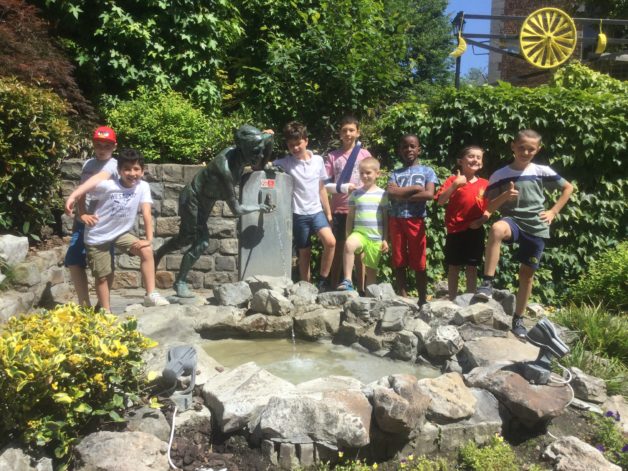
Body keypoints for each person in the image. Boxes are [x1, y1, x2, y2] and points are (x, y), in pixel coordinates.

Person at [153, 125, 274, 298]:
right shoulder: (223, 169)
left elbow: (270, 139)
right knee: (199, 243)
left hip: (206, 201)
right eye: (256, 152)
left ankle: (158, 253)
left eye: (261, 151)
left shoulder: (253, 144)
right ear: (243, 148)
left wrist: (264, 164)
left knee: (184, 239)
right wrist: (259, 206)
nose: (260, 155)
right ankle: (179, 282)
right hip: (193, 199)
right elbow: (237, 210)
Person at [474, 129, 573, 338]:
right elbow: (489, 206)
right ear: (513, 146)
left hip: (537, 226)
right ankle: (487, 282)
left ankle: (518, 319)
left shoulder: (541, 170)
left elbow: (568, 188)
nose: (525, 152)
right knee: (496, 229)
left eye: (531, 149)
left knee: (526, 276)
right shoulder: (500, 175)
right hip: (513, 221)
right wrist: (505, 196)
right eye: (521, 148)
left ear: (538, 149)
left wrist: (553, 211)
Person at [71, 148, 170, 311]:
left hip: (119, 234)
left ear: (143, 171)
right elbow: (82, 190)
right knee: (103, 276)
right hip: (98, 235)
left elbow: (146, 213)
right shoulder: (108, 186)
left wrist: (148, 239)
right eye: (127, 169)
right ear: (119, 171)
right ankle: (106, 311)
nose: (132, 173)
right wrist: (82, 214)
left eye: (136, 169)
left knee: (146, 250)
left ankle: (151, 295)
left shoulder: (143, 187)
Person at [273, 121, 336, 290]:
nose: (295, 148)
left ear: (306, 141)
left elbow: (321, 188)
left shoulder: (318, 160)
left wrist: (328, 213)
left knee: (330, 242)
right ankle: (306, 288)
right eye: (291, 145)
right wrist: (267, 139)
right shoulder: (286, 162)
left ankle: (322, 281)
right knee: (304, 253)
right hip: (298, 213)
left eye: (298, 143)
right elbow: (261, 165)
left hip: (316, 211)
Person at [63, 126, 118, 307]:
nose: (102, 149)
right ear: (93, 145)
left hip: (103, 224)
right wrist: (82, 213)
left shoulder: (113, 165)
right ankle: (84, 304)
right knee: (73, 259)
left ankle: (102, 305)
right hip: (83, 222)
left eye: (107, 146)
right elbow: (83, 190)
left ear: (114, 147)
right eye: (98, 145)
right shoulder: (88, 164)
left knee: (104, 266)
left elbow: (98, 179)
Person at [387, 134, 438, 305]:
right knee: (399, 257)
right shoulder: (395, 173)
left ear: (419, 149)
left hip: (416, 220)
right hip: (396, 219)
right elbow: (391, 193)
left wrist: (401, 193)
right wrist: (416, 188)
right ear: (400, 150)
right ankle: (403, 297)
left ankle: (422, 300)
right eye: (405, 146)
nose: (408, 149)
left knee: (418, 259)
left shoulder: (427, 171)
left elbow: (429, 195)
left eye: (412, 146)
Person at [324, 115, 372, 289]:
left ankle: (361, 288)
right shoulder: (333, 156)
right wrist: (344, 188)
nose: (348, 134)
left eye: (351, 130)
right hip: (339, 209)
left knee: (360, 250)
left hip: (361, 209)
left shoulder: (365, 154)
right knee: (338, 249)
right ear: (340, 134)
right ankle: (333, 286)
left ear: (358, 133)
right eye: (344, 130)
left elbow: (372, 180)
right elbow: (325, 186)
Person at [435, 146, 489, 300]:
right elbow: (440, 201)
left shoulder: (485, 183)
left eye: (478, 157)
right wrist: (455, 185)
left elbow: (490, 207)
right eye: (471, 156)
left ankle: (470, 298)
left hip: (475, 230)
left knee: (472, 267)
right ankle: (452, 299)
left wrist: (481, 220)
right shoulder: (453, 180)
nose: (475, 160)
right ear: (460, 161)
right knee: (454, 267)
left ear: (482, 163)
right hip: (455, 230)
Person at [336, 157, 388, 292]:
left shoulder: (383, 194)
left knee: (371, 274)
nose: (364, 176)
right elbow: (350, 216)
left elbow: (385, 218)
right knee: (349, 245)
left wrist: (385, 239)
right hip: (360, 233)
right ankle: (347, 280)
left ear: (377, 174)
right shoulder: (356, 194)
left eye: (368, 173)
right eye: (361, 173)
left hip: (376, 238)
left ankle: (369, 296)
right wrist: (348, 234)